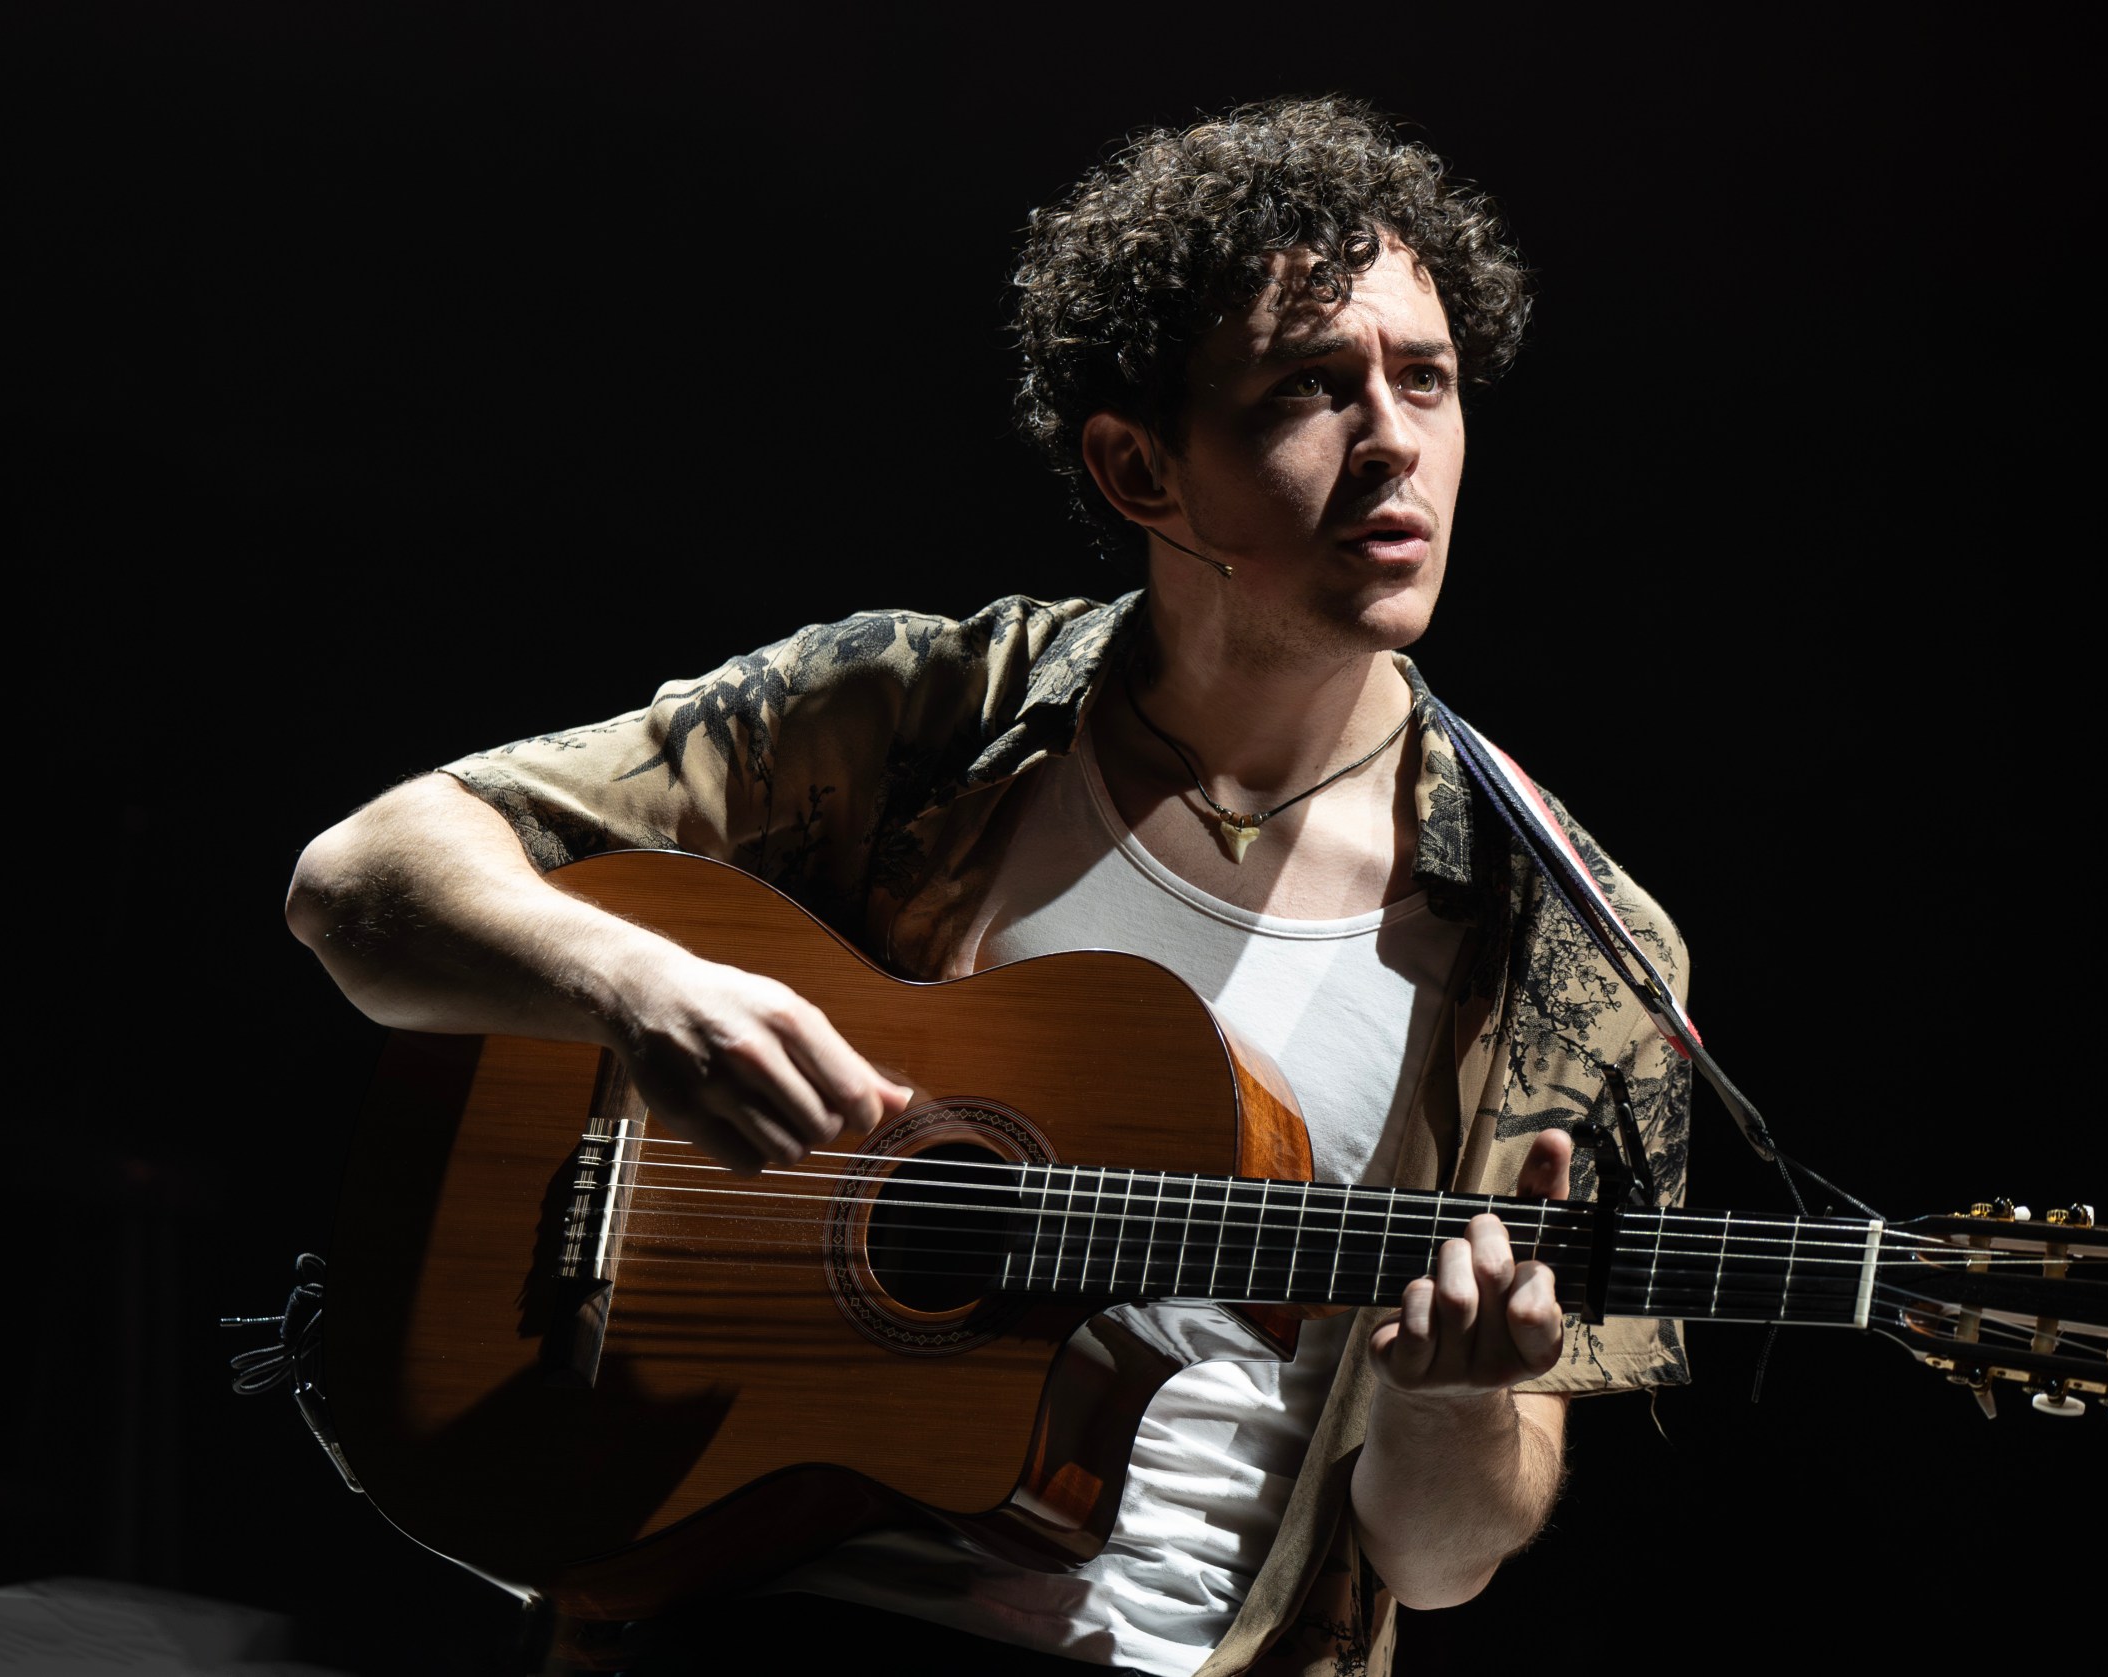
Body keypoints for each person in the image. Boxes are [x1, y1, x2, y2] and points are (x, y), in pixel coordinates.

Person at [286, 97, 1690, 1676]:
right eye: (1312, 386)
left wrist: (1460, 1398)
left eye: (1425, 379)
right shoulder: (921, 713)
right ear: (1138, 467)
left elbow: (1435, 1566)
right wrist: (639, 992)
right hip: (742, 1607)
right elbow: (364, 876)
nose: (1395, 439)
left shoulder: (1575, 941)